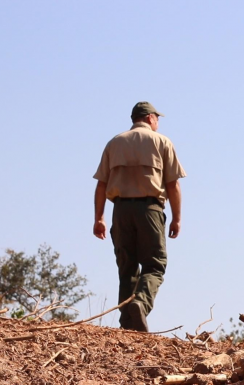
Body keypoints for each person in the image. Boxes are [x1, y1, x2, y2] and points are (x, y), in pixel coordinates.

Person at [92, 101, 186, 332]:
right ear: (150, 118)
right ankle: (140, 304)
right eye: (157, 118)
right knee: (155, 265)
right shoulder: (162, 141)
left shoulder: (115, 142)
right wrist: (176, 218)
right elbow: (172, 184)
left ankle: (128, 325)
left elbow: (101, 185)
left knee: (127, 268)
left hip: (121, 212)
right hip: (150, 210)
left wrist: (99, 218)